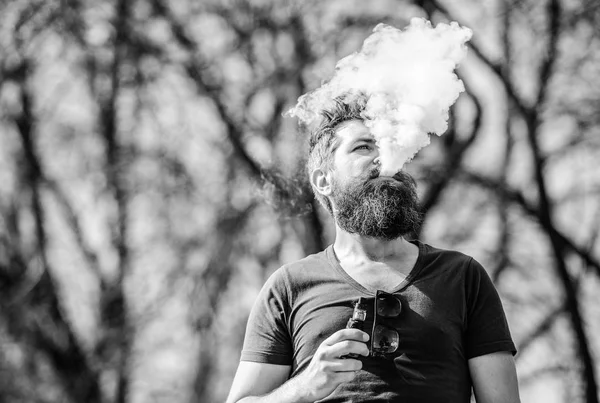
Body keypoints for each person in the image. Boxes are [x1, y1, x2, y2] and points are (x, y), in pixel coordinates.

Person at [226, 96, 520, 403]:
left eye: (390, 144)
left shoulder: (462, 277)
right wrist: (304, 387)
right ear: (324, 180)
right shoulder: (289, 287)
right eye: (364, 146)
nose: (384, 156)